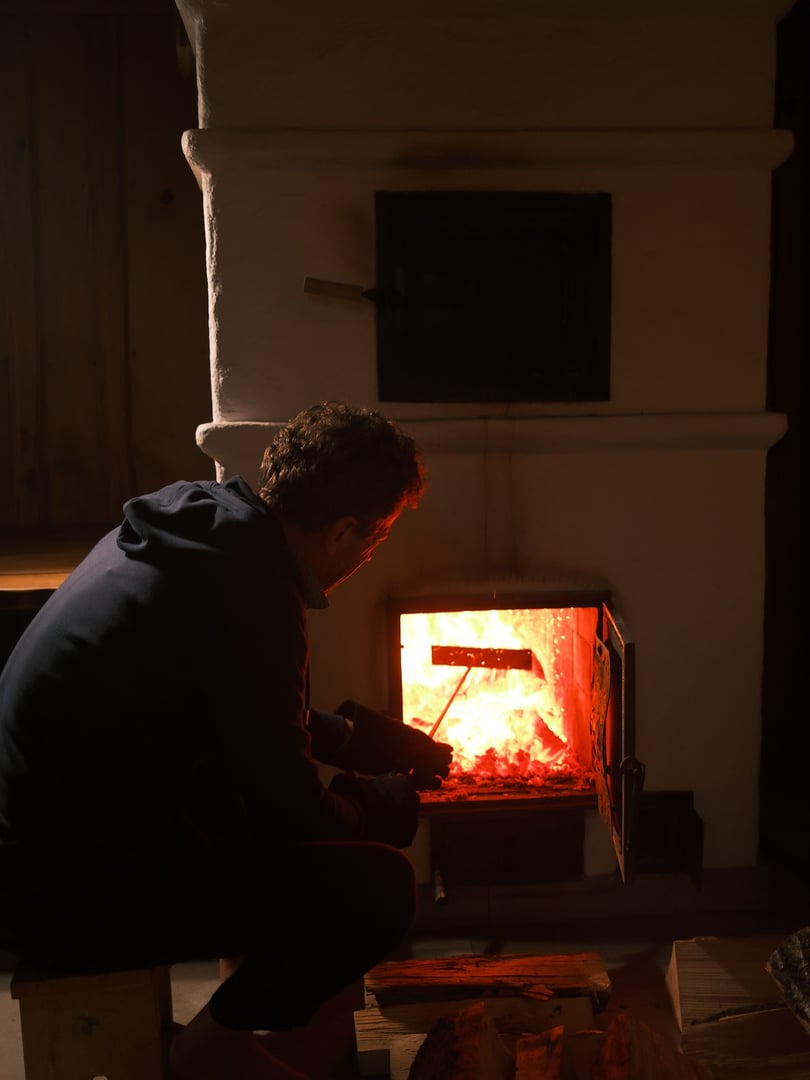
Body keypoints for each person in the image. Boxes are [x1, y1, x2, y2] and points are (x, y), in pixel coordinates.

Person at [0, 401, 453, 1080]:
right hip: (65, 895)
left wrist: (361, 744)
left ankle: (269, 1028)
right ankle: (210, 1048)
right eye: (378, 537)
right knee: (380, 888)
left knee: (267, 826)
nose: (369, 553)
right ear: (342, 532)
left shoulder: (204, 530)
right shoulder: (256, 592)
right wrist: (375, 808)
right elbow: (291, 809)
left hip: (47, 845)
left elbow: (237, 707)